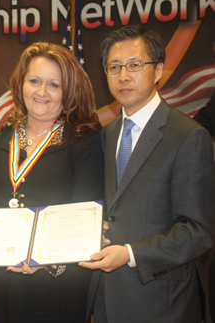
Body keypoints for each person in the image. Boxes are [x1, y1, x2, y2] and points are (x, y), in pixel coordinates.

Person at [79, 25, 215, 323]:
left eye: (135, 65)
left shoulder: (188, 136)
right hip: (107, 298)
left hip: (161, 301)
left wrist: (130, 253)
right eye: (114, 67)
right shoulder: (108, 133)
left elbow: (198, 231)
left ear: (158, 70)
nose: (123, 75)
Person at [0, 42, 104, 323]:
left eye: (54, 84)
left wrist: (47, 262)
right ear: (21, 84)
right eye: (34, 81)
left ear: (68, 91)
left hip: (56, 290)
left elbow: (83, 215)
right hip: (3, 285)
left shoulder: (84, 141)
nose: (42, 92)